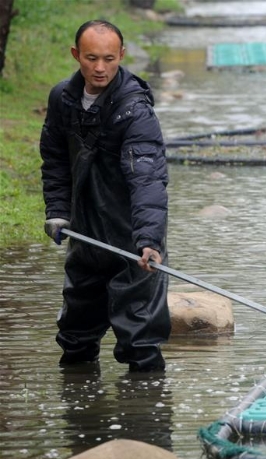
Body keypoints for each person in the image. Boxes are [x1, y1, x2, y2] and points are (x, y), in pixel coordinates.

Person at [40, 20, 171, 372]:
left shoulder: (135, 110)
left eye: (109, 59)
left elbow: (148, 180)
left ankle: (144, 415)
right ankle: (81, 415)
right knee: (75, 339)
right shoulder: (62, 98)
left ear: (122, 56)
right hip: (84, 233)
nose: (100, 68)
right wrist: (57, 210)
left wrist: (148, 239)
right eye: (91, 58)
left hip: (132, 238)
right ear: (76, 55)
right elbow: (54, 161)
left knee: (140, 342)